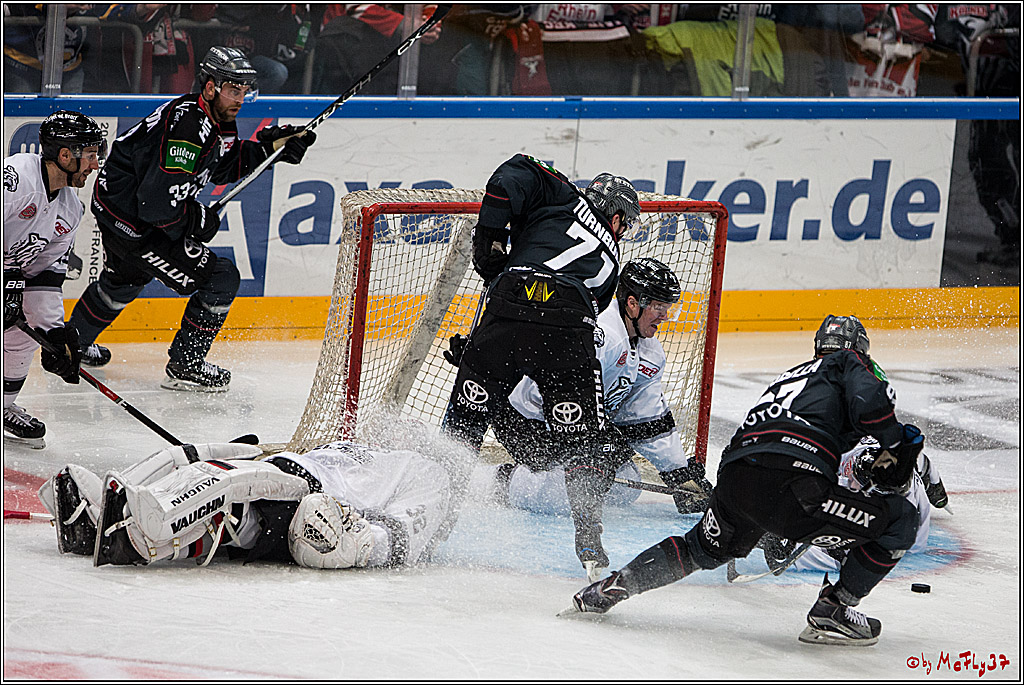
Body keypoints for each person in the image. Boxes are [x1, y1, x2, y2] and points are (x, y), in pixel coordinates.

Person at [567, 314, 926, 647]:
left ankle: (608, 589)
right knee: (901, 519)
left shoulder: (793, 377)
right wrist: (896, 443)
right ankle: (835, 609)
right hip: (793, 483)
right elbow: (871, 405)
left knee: (697, 548)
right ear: (859, 349)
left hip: (737, 479)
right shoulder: (849, 363)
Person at [67, 46, 316, 391]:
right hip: (134, 220)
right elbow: (157, 206)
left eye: (245, 91)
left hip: (120, 211)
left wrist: (269, 150)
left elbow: (222, 168)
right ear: (210, 87)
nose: (240, 99)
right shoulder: (189, 126)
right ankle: (186, 365)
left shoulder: (215, 120)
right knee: (221, 277)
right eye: (233, 90)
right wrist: (198, 221)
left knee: (122, 282)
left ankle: (71, 345)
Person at [441, 152, 641, 579]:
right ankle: (589, 541)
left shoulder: (562, 197)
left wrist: (490, 242)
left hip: (508, 304)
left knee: (465, 421)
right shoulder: (611, 265)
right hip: (568, 324)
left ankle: (435, 511)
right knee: (582, 442)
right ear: (616, 219)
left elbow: (510, 174)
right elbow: (566, 322)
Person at [38, 423, 473, 570]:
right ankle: (95, 522)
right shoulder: (372, 453)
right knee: (192, 461)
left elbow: (399, 538)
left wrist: (358, 542)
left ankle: (136, 539)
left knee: (228, 490)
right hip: (285, 478)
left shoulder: (433, 475)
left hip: (306, 503)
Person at [485, 258, 713, 539]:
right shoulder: (599, 336)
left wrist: (678, 474)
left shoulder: (650, 352)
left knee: (625, 485)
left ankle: (555, 472)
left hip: (576, 425)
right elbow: (548, 394)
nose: (665, 316)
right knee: (568, 494)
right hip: (527, 421)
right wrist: (592, 444)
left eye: (668, 309)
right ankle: (500, 480)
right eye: (658, 307)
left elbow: (647, 417)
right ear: (632, 304)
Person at [3, 111, 105, 448]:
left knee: (24, 333)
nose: (95, 164)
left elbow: (45, 273)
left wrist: (53, 334)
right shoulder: (16, 179)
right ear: (64, 155)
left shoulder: (70, 210)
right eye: (90, 155)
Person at [761, 437, 950, 574]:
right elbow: (923, 464)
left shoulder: (877, 518)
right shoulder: (898, 464)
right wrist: (939, 496)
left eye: (855, 482)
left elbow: (838, 558)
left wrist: (771, 536)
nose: (850, 481)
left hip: (894, 544)